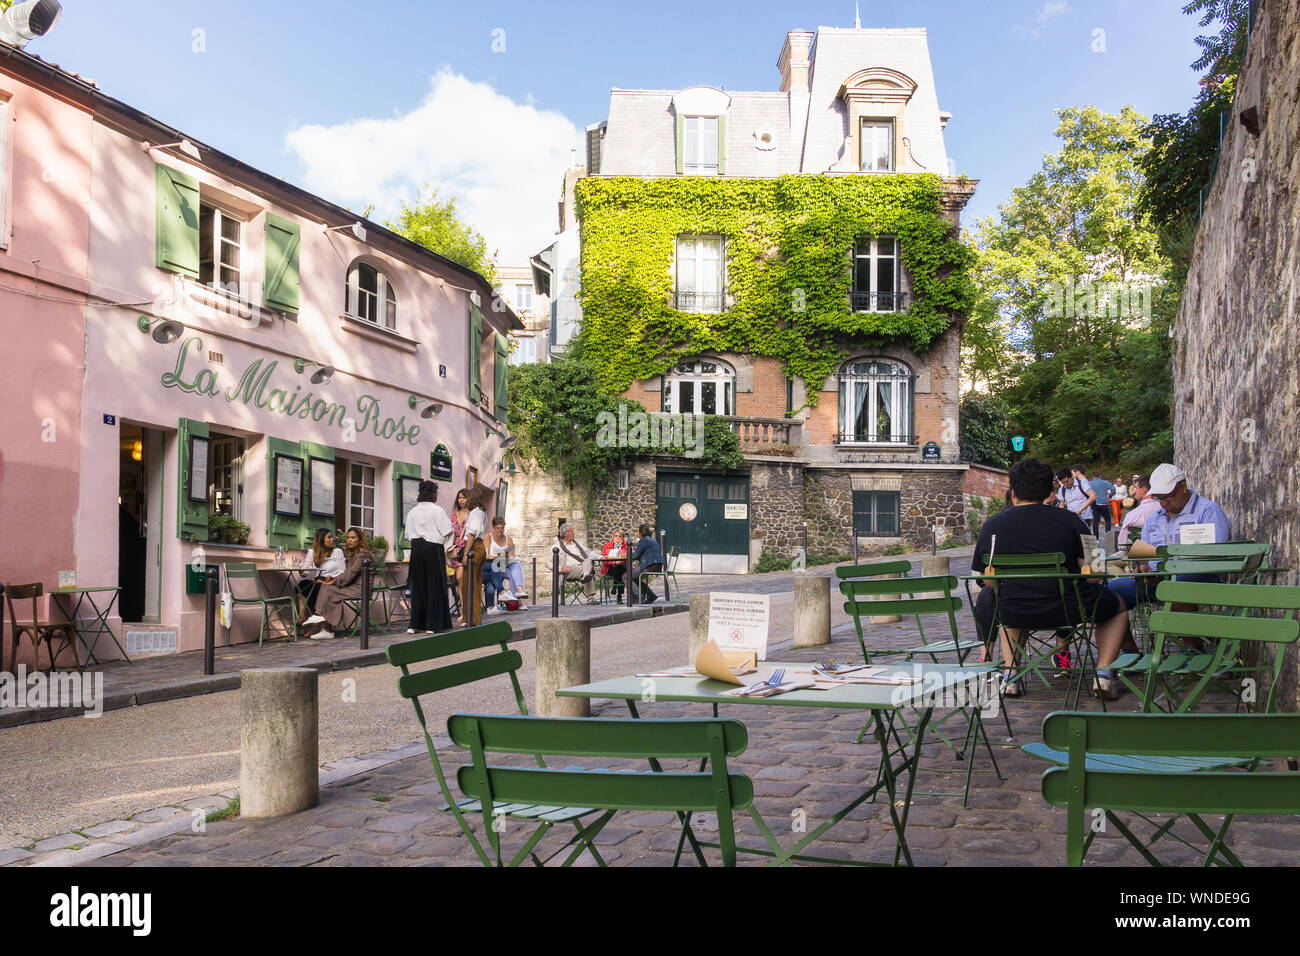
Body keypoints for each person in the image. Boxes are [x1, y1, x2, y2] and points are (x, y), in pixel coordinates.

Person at [972, 458, 1130, 700]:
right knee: (1116, 606)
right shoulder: (1070, 520)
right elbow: (1096, 573)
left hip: (1015, 610)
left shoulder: (992, 526)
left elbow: (989, 581)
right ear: (1049, 491)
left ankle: (1011, 675)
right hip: (1067, 611)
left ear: (1013, 492)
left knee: (1004, 597)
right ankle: (1104, 674)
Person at [1107, 463, 1232, 613]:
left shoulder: (1208, 511)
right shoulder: (1154, 517)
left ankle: (1193, 636)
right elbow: (1142, 554)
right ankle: (1124, 637)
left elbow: (1216, 558)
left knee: (1175, 588)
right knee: (1112, 591)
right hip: (1156, 579)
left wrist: (1172, 573)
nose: (1164, 503)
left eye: (1168, 497)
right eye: (1159, 498)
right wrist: (1142, 566)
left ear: (1183, 487)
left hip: (1199, 578)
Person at [303, 527, 373, 639]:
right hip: (353, 587)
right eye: (348, 538)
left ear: (360, 540)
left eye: (353, 538)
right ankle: (324, 626)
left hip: (361, 590)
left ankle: (320, 619)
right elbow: (347, 573)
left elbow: (349, 575)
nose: (349, 540)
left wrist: (333, 582)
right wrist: (332, 580)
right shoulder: (354, 554)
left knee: (326, 588)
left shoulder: (362, 554)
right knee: (324, 588)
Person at [403, 480, 454, 634]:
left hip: (417, 549)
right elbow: (448, 531)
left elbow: (408, 535)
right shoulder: (437, 511)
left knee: (418, 586)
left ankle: (415, 624)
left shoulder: (412, 511)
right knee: (435, 586)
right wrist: (446, 551)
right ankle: (432, 625)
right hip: (433, 549)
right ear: (433, 494)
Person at [298, 528, 345, 624]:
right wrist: (301, 571)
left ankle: (312, 622)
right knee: (302, 586)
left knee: (317, 588)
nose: (332, 539)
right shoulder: (312, 552)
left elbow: (342, 571)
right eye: (329, 537)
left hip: (331, 581)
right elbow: (306, 571)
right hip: (318, 580)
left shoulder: (337, 551)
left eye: (332, 537)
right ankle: (304, 616)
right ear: (321, 539)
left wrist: (331, 579)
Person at [460, 487, 489, 626]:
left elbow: (471, 535)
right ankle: (470, 617)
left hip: (474, 548)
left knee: (470, 584)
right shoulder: (481, 513)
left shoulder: (476, 513)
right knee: (473, 583)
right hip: (479, 547)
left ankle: (473, 619)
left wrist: (465, 554)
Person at [484, 517, 527, 611]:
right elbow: (487, 555)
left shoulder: (509, 539)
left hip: (506, 564)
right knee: (511, 573)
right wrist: (498, 555)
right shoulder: (488, 537)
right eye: (498, 528)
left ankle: (519, 591)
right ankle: (519, 601)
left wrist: (506, 555)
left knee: (515, 566)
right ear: (493, 527)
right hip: (495, 567)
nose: (500, 531)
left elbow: (512, 555)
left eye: (502, 528)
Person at [1115, 473, 1159, 555]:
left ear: (1144, 490)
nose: (1135, 491)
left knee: (1109, 563)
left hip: (1139, 555)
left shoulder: (1133, 515)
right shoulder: (1165, 509)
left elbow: (1122, 544)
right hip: (1163, 551)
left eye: (1136, 488)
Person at [554, 522, 597, 601]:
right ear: (565, 534)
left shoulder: (577, 544)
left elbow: (589, 553)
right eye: (572, 531)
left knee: (588, 561)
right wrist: (560, 568)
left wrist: (601, 556)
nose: (574, 533)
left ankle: (586, 575)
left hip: (582, 566)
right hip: (569, 570)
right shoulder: (557, 546)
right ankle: (591, 597)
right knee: (587, 569)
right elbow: (548, 563)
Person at [448, 489, 471, 618]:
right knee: (460, 581)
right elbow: (452, 532)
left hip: (467, 548)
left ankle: (468, 609)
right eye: (459, 497)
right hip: (457, 550)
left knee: (464, 579)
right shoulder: (455, 515)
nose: (461, 500)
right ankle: (464, 610)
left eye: (464, 497)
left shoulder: (472, 514)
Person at [1073, 466, 1114, 536]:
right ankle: (1108, 535)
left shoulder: (1089, 483)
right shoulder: (1104, 482)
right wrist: (1110, 496)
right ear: (1100, 476)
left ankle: (1096, 537)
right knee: (1107, 520)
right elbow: (1113, 489)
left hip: (1094, 504)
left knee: (1095, 521)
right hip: (1104, 503)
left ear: (1092, 476)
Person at [633, 523, 665, 604]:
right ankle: (651, 595)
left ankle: (638, 597)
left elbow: (635, 556)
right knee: (634, 577)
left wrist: (626, 554)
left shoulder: (643, 541)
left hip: (650, 566)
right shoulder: (652, 540)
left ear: (640, 533)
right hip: (657, 566)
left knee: (626, 576)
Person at [601, 530, 630, 601]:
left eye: (620, 536)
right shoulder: (607, 545)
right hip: (610, 568)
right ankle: (619, 595)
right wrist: (613, 563)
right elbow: (604, 558)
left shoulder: (626, 546)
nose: (617, 538)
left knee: (620, 567)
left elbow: (627, 558)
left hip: (621, 567)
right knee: (619, 569)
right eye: (616, 536)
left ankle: (615, 586)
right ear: (613, 537)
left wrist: (619, 561)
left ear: (622, 538)